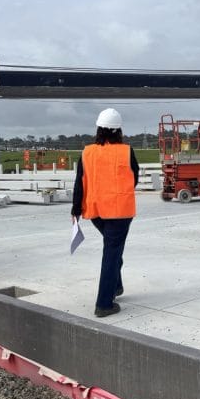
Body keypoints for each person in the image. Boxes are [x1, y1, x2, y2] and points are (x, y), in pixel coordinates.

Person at [71, 108, 138, 318]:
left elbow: (79, 182)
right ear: (119, 131)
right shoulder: (126, 151)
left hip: (96, 211)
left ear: (98, 129)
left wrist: (75, 209)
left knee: (113, 249)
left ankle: (116, 286)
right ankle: (104, 304)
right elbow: (134, 177)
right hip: (119, 212)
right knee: (112, 253)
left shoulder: (87, 152)